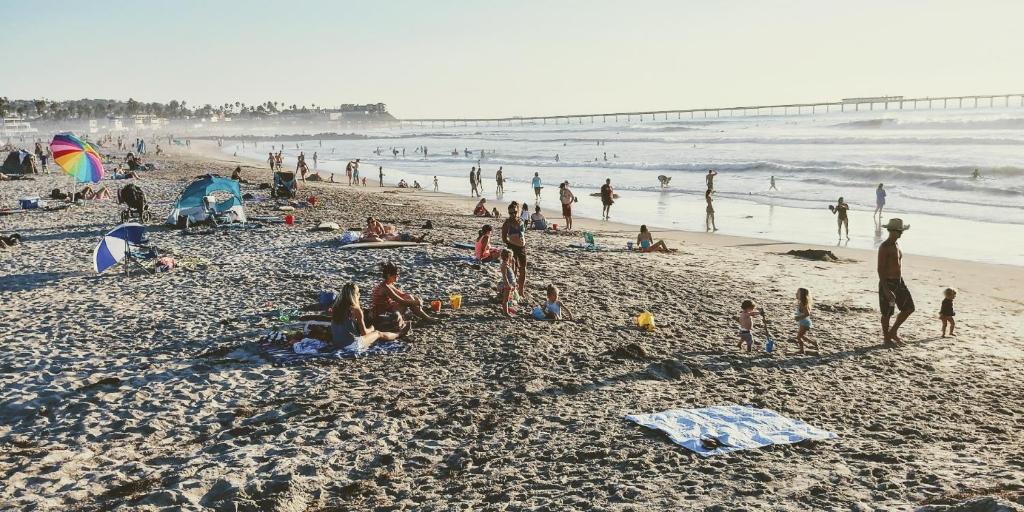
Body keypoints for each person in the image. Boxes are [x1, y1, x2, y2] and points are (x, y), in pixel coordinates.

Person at [331, 283, 403, 350]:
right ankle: (399, 334)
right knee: (378, 333)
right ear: (354, 295)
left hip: (337, 345)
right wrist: (372, 328)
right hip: (352, 345)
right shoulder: (356, 310)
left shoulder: (336, 309)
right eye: (358, 293)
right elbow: (364, 333)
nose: (359, 294)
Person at [878, 218, 914, 346]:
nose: (901, 233)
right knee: (887, 313)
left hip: (899, 282)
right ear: (892, 231)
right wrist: (886, 290)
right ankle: (886, 339)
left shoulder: (897, 245)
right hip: (887, 283)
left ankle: (893, 332)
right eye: (899, 231)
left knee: (909, 308)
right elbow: (880, 269)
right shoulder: (884, 247)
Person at [371, 261, 437, 327]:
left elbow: (403, 295)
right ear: (389, 275)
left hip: (388, 308)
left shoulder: (388, 284)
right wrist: (416, 302)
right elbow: (401, 301)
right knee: (407, 302)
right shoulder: (385, 288)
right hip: (382, 315)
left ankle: (426, 317)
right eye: (395, 275)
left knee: (409, 297)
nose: (397, 276)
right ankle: (427, 318)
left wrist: (416, 299)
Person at [501, 202, 528, 299]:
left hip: (522, 247)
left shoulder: (521, 221)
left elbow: (523, 233)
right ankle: (514, 289)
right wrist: (512, 242)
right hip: (512, 247)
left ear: (518, 211)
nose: (512, 214)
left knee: (523, 269)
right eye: (510, 213)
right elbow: (504, 238)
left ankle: (521, 290)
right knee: (514, 269)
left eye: (514, 212)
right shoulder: (507, 223)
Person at [794, 288, 817, 354]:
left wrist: (799, 317)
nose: (796, 294)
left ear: (802, 295)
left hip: (804, 323)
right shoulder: (801, 303)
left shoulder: (803, 304)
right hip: (803, 322)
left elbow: (807, 313)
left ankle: (801, 350)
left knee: (798, 337)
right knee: (802, 336)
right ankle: (813, 343)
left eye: (798, 293)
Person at [497, 249, 519, 316]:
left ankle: (507, 310)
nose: (512, 258)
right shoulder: (504, 265)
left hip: (510, 284)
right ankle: (505, 312)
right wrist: (507, 285)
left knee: (509, 299)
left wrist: (513, 263)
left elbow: (513, 273)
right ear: (507, 257)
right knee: (505, 300)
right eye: (511, 256)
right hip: (505, 285)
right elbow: (504, 276)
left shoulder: (508, 265)